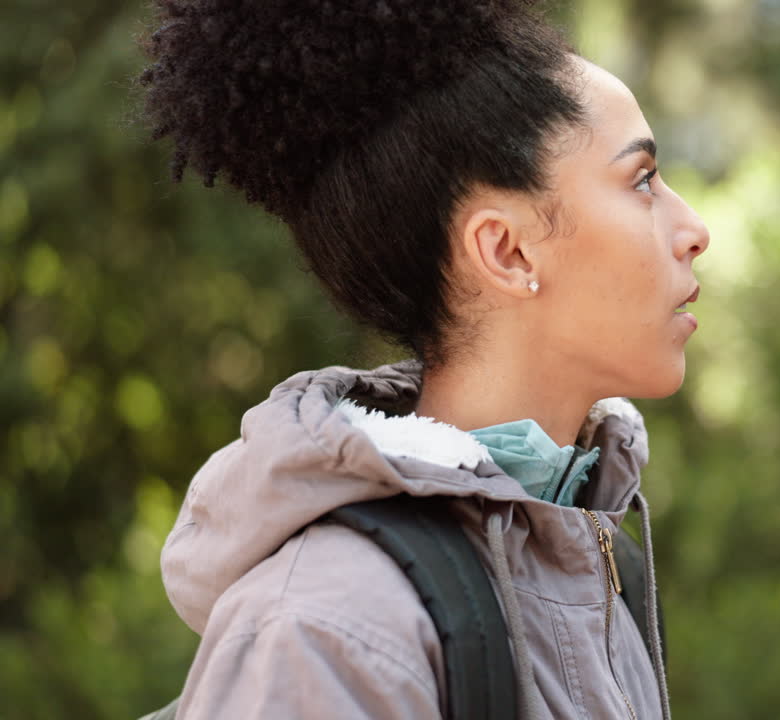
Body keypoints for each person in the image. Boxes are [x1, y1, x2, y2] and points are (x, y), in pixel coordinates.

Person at [136, 0, 710, 717]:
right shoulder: (327, 629)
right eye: (642, 181)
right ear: (506, 250)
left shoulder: (596, 566)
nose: (694, 229)